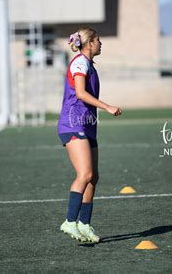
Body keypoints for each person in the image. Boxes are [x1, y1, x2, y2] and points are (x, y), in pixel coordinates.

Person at [58, 28, 122, 243]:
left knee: (93, 177)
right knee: (84, 174)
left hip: (87, 125)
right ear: (90, 43)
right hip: (72, 123)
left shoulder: (90, 65)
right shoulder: (79, 63)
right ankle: (69, 221)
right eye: (98, 40)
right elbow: (80, 93)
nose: (101, 44)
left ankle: (84, 224)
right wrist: (108, 106)